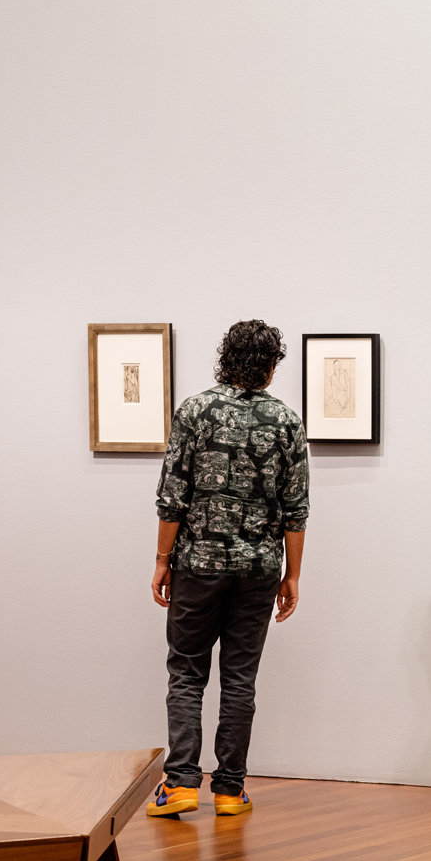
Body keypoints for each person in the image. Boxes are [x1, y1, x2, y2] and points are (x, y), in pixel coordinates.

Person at [146, 320, 309, 818]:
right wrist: (293, 575)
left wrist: (161, 561)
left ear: (225, 358)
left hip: (197, 564)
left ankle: (179, 785)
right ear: (271, 365)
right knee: (240, 678)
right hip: (259, 568)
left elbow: (173, 495)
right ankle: (229, 790)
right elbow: (295, 507)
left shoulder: (194, 411)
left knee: (187, 672)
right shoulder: (285, 420)